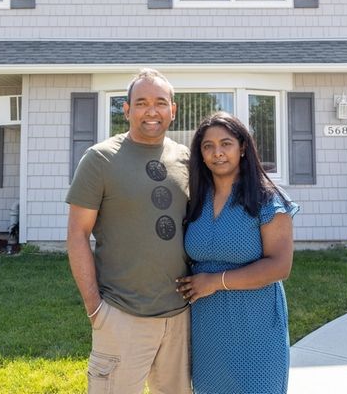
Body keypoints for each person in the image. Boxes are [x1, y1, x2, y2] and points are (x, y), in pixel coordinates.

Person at [66, 69, 191, 394]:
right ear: (127, 109)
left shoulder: (185, 158)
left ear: (173, 110)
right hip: (122, 316)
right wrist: (95, 307)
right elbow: (78, 235)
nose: (152, 111)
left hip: (179, 318)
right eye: (142, 103)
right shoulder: (100, 159)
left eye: (161, 103)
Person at [176, 111, 299, 393]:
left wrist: (214, 282)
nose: (217, 153)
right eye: (208, 146)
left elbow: (280, 266)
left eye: (226, 143)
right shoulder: (196, 200)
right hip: (207, 328)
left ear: (243, 147)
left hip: (255, 326)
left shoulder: (268, 199)